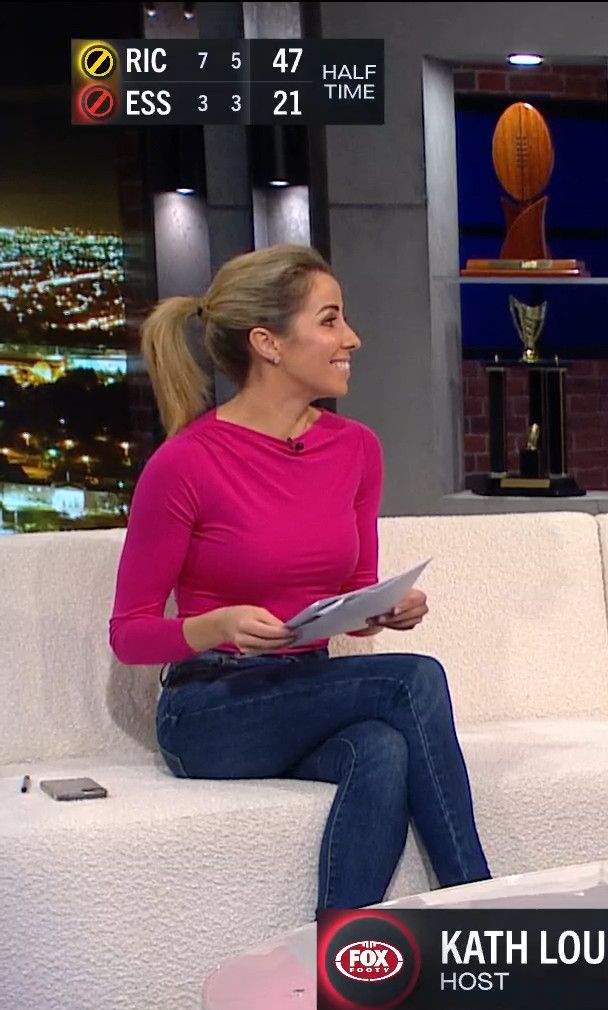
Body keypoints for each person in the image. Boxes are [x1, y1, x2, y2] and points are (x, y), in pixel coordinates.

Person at [109, 244, 491, 913]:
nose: (352, 339)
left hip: (307, 687)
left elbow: (355, 587)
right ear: (269, 344)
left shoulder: (356, 449)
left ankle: (339, 958)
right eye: (330, 320)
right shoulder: (185, 463)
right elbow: (129, 634)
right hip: (212, 707)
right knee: (413, 679)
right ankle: (484, 912)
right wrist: (215, 625)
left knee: (381, 751)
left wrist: (383, 609)